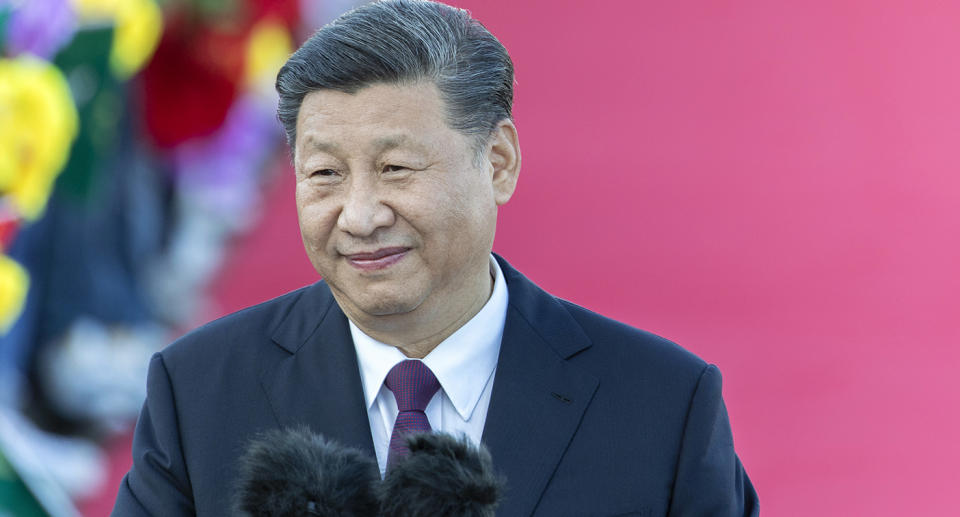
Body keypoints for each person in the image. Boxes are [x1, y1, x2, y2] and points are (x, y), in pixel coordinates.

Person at [113, 1, 759, 515]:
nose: (360, 215)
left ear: (498, 161)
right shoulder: (196, 390)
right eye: (325, 173)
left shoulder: (662, 404)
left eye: (395, 168)